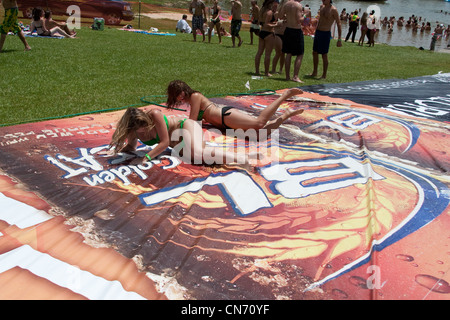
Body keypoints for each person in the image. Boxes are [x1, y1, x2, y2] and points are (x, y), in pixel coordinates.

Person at [109, 107, 254, 166]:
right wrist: (118, 152)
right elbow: (131, 146)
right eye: (140, 131)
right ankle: (236, 156)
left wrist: (145, 158)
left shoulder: (154, 115)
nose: (144, 132)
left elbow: (165, 142)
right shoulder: (132, 131)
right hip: (179, 146)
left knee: (198, 154)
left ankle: (242, 159)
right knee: (197, 157)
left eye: (146, 127)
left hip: (186, 128)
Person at [166, 80, 304, 133]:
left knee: (259, 123)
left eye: (180, 93)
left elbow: (193, 121)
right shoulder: (191, 101)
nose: (180, 97)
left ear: (185, 89)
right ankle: (286, 115)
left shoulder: (195, 96)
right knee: (261, 134)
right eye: (176, 96)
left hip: (225, 115)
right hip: (224, 124)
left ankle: (284, 96)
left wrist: (177, 125)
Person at [309, 0, 342, 80]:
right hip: (318, 32)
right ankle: (315, 72)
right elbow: (319, 20)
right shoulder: (322, 7)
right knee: (315, 52)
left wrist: (339, 39)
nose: (323, 0)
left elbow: (339, 23)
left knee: (324, 54)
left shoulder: (333, 10)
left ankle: (324, 75)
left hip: (325, 33)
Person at [278, 0, 305, 83]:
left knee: (288, 53)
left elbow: (280, 16)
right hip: (296, 31)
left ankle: (287, 76)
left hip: (288, 30)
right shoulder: (298, 5)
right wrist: (305, 15)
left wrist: (288, 17)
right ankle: (295, 76)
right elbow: (299, 19)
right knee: (300, 54)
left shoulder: (286, 4)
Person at [254, 0, 278, 77]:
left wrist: (273, 23)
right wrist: (276, 25)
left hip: (262, 33)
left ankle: (257, 71)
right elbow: (267, 24)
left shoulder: (262, 10)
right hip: (269, 33)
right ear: (270, 4)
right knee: (268, 54)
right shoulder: (270, 12)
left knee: (259, 53)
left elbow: (262, 22)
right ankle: (266, 72)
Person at [271, 0, 287, 74]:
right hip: (278, 33)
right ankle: (273, 69)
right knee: (278, 52)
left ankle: (280, 69)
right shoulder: (277, 13)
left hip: (285, 34)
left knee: (283, 53)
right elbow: (274, 22)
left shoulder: (289, 14)